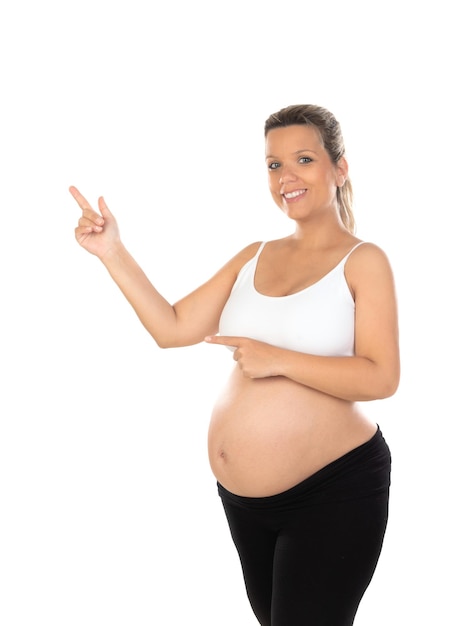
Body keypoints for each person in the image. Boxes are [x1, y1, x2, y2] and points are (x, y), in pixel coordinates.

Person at [70, 103, 400, 626]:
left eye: (304, 159)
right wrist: (113, 251)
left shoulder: (364, 261)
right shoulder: (254, 255)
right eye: (273, 164)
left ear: (339, 168)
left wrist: (280, 361)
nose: (286, 177)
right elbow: (172, 328)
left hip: (333, 491)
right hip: (246, 504)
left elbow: (382, 376)